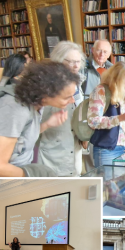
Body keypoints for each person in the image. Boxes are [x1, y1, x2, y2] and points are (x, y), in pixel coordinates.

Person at [0, 59, 79, 177]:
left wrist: (47, 124)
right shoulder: (16, 111)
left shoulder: (35, 104)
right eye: (67, 97)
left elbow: (19, 137)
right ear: (45, 94)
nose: (72, 101)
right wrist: (32, 175)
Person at [38, 41, 88, 176]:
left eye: (78, 61)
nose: (76, 66)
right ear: (59, 61)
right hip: (55, 151)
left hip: (74, 145)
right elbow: (32, 126)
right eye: (71, 62)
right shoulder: (46, 86)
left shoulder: (77, 83)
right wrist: (48, 124)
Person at [88, 61, 125, 168]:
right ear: (115, 80)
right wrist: (120, 118)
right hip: (107, 149)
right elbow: (93, 121)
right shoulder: (101, 91)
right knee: (108, 184)